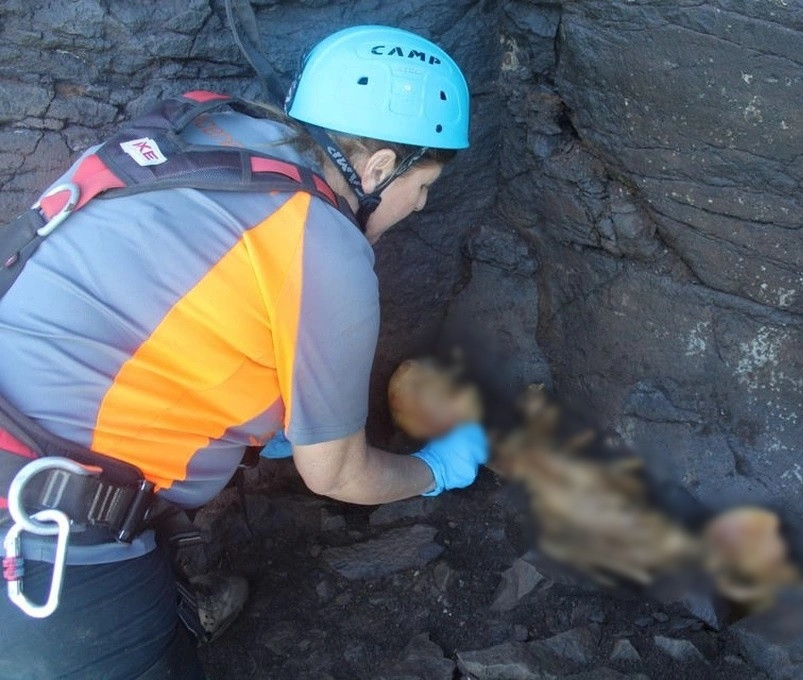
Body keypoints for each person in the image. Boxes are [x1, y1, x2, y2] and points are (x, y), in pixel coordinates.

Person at [0, 24, 486, 679]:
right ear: (378, 169)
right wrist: (435, 470)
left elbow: (162, 308)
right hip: (46, 547)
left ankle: (169, 598)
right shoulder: (323, 246)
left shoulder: (197, 127)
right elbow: (337, 474)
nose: (420, 205)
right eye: (422, 186)